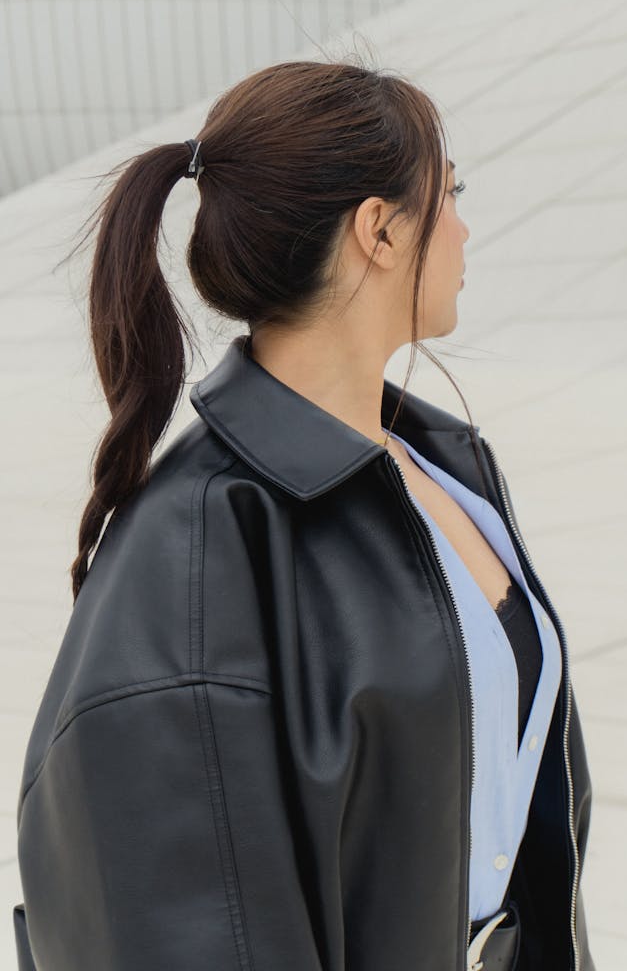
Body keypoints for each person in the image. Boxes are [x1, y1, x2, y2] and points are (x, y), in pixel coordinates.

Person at [13, 57, 596, 971]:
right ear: (379, 231)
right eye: (449, 194)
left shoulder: (441, 470)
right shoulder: (197, 553)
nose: (463, 226)